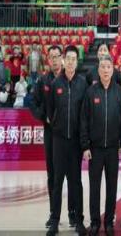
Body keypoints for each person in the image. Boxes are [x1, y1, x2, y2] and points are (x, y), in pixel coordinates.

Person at [29, 46, 76, 228]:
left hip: (70, 134)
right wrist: (44, 116)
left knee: (71, 176)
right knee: (53, 175)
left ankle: (72, 213)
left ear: (62, 58)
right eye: (52, 57)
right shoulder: (43, 81)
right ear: (48, 59)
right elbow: (33, 103)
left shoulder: (69, 78)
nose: (55, 60)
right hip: (51, 134)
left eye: (57, 56)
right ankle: (53, 213)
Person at [80, 55, 121, 236]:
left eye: (108, 67)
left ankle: (108, 222)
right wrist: (85, 146)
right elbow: (84, 120)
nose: (106, 70)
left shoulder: (118, 92)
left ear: (112, 70)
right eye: (103, 67)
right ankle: (94, 222)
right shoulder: (91, 92)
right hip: (95, 149)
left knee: (112, 187)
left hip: (113, 149)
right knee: (94, 187)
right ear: (98, 71)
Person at [46, 45, 88, 236]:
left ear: (77, 62)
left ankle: (78, 220)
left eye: (73, 59)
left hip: (75, 143)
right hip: (59, 141)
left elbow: (85, 114)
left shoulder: (82, 84)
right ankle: (54, 221)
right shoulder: (56, 84)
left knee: (76, 182)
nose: (70, 62)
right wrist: (56, 125)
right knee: (57, 182)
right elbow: (49, 110)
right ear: (64, 60)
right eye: (68, 58)